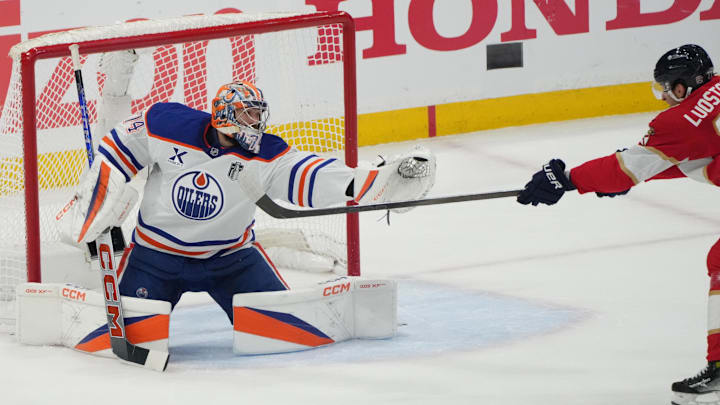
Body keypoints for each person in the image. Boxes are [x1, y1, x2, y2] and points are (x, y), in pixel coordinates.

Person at [63, 79, 435, 324]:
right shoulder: (169, 124)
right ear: (225, 114)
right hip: (155, 259)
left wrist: (374, 184)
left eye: (259, 115)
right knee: (128, 329)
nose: (257, 123)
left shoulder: (267, 156)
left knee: (284, 326)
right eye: (250, 114)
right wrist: (102, 190)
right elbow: (118, 144)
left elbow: (313, 174)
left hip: (232, 260)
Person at [516, 44, 719, 404]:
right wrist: (637, 176)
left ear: (684, 86)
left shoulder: (680, 120)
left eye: (667, 88)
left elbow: (625, 168)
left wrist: (569, 179)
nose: (665, 98)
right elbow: (697, 158)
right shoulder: (709, 105)